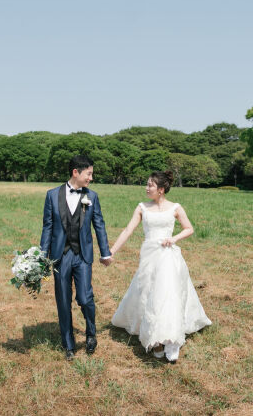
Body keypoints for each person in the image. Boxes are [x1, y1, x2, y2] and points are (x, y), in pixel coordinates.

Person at [110, 170, 211, 362]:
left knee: (168, 294)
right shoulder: (142, 207)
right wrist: (112, 251)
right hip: (149, 256)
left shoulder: (175, 208)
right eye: (147, 184)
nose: (146, 188)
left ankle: (172, 339)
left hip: (168, 256)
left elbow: (189, 228)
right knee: (148, 294)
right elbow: (128, 230)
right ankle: (155, 339)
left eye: (150, 185)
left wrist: (173, 238)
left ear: (161, 189)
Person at [40, 155, 112, 360]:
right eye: (89, 174)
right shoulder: (52, 195)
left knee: (84, 297)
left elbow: (99, 225)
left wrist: (105, 252)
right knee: (63, 300)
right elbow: (47, 227)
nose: (91, 178)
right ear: (75, 172)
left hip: (82, 255)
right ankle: (68, 344)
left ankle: (91, 333)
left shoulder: (92, 196)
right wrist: (42, 257)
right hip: (60, 256)